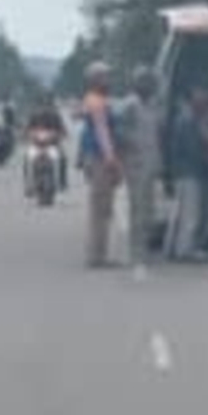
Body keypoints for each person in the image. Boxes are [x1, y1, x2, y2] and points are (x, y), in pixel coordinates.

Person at [79, 61, 122, 269]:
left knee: (102, 208)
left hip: (95, 156)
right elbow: (102, 131)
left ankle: (98, 253)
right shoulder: (97, 102)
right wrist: (112, 160)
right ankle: (97, 256)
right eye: (105, 77)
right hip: (99, 158)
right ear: (95, 80)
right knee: (101, 207)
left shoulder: (95, 100)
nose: (109, 81)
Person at [120, 66, 162, 273]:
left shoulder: (152, 106)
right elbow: (121, 133)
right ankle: (136, 253)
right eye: (145, 82)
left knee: (148, 210)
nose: (149, 86)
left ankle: (145, 249)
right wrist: (132, 148)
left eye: (150, 82)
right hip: (136, 164)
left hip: (150, 161)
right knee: (137, 209)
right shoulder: (130, 105)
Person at [162, 84, 208, 260]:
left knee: (178, 212)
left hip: (181, 172)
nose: (203, 103)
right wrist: (206, 159)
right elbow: (192, 149)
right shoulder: (188, 120)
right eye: (200, 100)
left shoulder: (183, 118)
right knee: (190, 214)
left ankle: (172, 248)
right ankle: (184, 249)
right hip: (190, 172)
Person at [24, 93, 68, 192]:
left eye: (47, 104)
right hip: (36, 146)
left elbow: (63, 130)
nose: (44, 108)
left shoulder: (55, 116)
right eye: (42, 104)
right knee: (27, 160)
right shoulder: (33, 116)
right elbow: (26, 129)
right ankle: (28, 184)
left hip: (53, 145)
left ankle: (61, 182)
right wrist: (29, 135)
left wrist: (59, 135)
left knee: (62, 158)